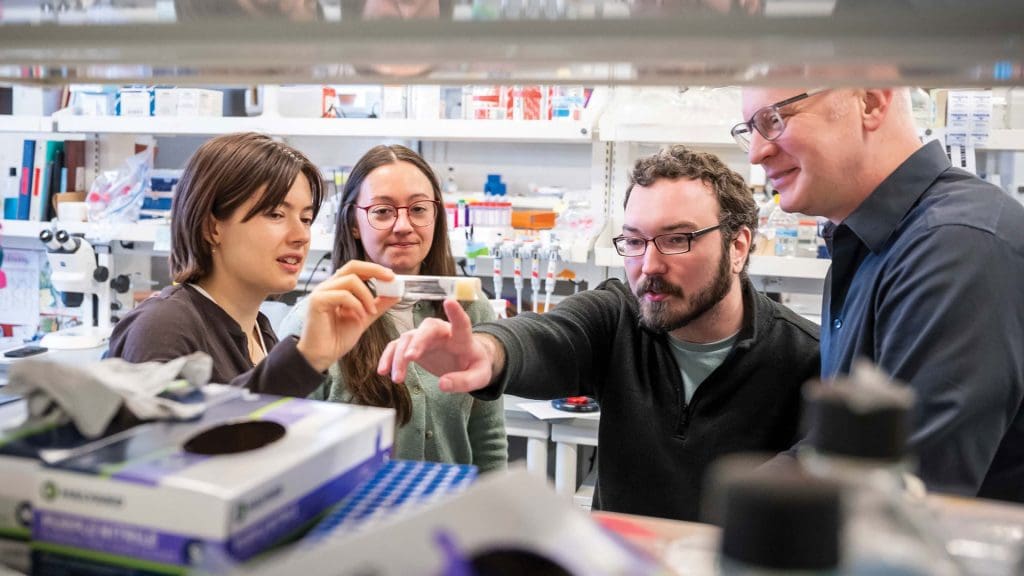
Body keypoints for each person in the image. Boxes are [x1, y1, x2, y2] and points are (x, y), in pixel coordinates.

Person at [378, 145, 820, 520]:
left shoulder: (806, 358)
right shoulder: (620, 317)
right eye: (633, 241)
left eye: (675, 239)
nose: (648, 267)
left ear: (738, 245)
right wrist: (487, 351)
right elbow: (551, 335)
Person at [736, 87, 1024, 501]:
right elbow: (843, 451)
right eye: (750, 129)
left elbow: (904, 493)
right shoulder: (866, 244)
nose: (757, 153)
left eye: (774, 119)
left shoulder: (957, 246)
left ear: (870, 101)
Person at [107, 132, 398, 397]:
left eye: (306, 219)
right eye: (275, 214)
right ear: (212, 227)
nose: (301, 236)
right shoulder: (164, 325)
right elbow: (165, 445)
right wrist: (304, 360)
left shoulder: (260, 328)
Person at [280, 145, 506, 472]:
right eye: (383, 211)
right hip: (355, 519)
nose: (403, 225)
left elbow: (488, 437)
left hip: (449, 515)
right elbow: (291, 457)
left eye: (418, 209)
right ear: (354, 223)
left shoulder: (469, 308)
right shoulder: (315, 322)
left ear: (436, 217)